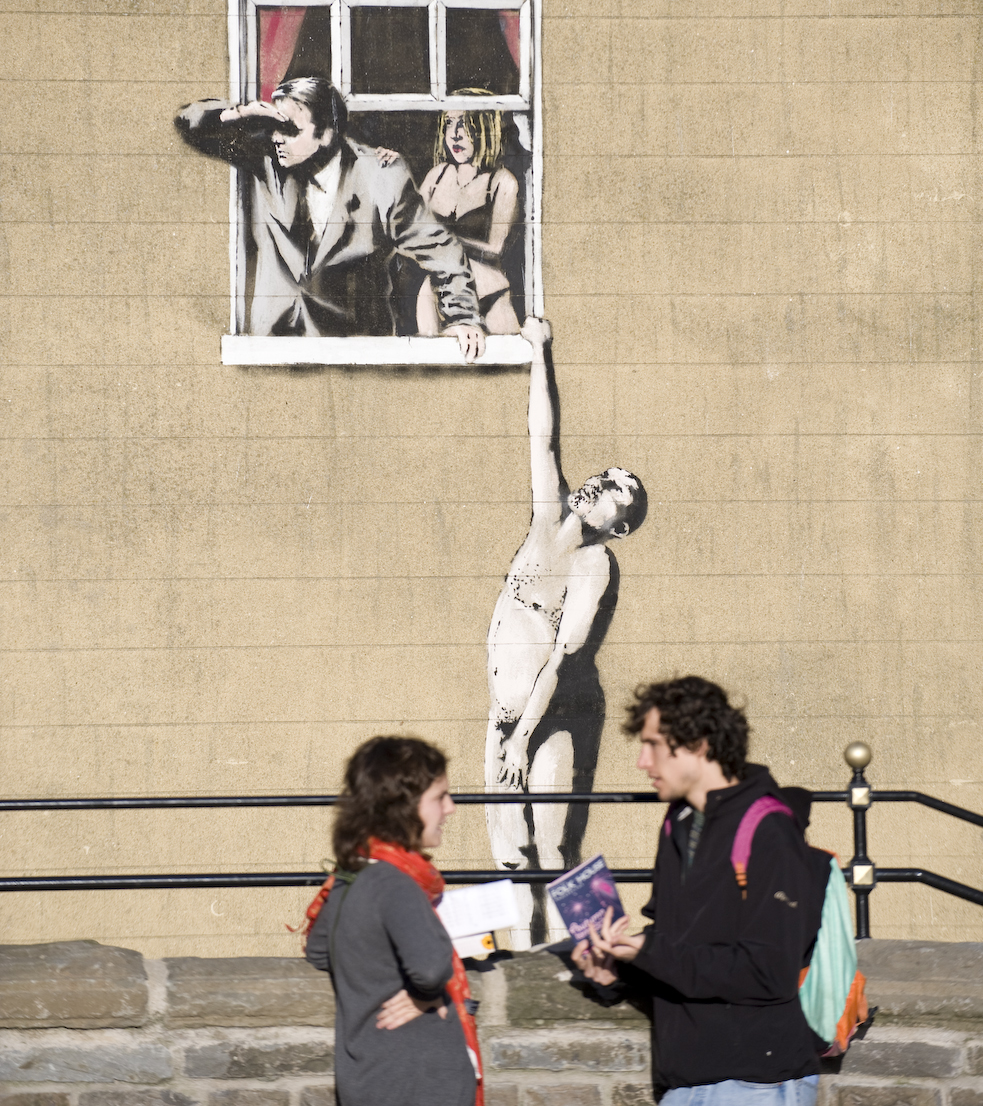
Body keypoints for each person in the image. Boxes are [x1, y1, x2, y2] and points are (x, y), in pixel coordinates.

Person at [572, 676, 824, 1106]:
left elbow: (766, 971)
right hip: (682, 1090)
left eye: (652, 746)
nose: (642, 762)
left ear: (699, 745)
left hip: (755, 1086)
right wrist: (616, 972)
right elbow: (673, 949)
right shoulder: (678, 825)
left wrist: (643, 952)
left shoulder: (770, 830)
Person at [485, 316, 648, 945]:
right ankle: (519, 966)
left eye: (616, 493)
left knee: (555, 845)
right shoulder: (546, 519)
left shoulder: (595, 565)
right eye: (603, 477)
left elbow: (561, 660)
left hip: (552, 719)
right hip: (503, 715)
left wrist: (524, 737)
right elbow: (543, 436)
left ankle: (604, 958)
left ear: (621, 525)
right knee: (505, 846)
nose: (600, 486)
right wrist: (539, 352)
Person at [175, 77, 485, 358]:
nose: (278, 138)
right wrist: (240, 114)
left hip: (353, 358)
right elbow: (187, 122)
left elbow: (442, 250)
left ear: (326, 132)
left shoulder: (379, 176)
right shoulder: (267, 160)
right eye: (276, 128)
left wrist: (461, 318)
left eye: (292, 130)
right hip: (272, 352)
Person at [305, 736, 485, 1106]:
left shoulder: (352, 878)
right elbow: (430, 967)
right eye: (440, 797)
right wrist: (427, 995)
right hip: (421, 1102)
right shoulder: (397, 884)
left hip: (375, 1095)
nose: (451, 808)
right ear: (402, 804)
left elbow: (318, 949)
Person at [415, 95, 520, 336]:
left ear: (484, 128)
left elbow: (495, 248)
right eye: (449, 124)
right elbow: (409, 230)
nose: (455, 134)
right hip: (438, 291)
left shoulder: (501, 181)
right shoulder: (437, 176)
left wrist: (442, 239)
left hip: (488, 292)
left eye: (464, 123)